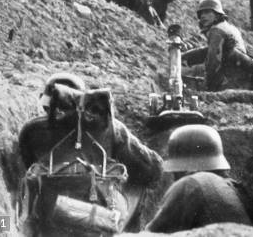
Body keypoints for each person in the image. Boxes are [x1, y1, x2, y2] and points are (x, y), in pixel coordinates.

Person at [18, 72, 163, 198]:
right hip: (97, 206)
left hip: (46, 207)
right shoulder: (110, 128)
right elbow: (150, 167)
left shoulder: (31, 130)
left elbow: (28, 164)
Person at [145, 125, 253, 233]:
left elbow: (152, 234)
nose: (174, 176)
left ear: (182, 167)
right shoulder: (230, 187)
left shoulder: (190, 185)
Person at [182, 0, 253, 91]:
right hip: (243, 73)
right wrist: (186, 57)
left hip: (236, 78)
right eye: (201, 14)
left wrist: (209, 87)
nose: (203, 16)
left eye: (208, 12)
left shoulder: (217, 30)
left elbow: (213, 61)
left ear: (217, 15)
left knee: (197, 71)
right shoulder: (227, 27)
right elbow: (210, 51)